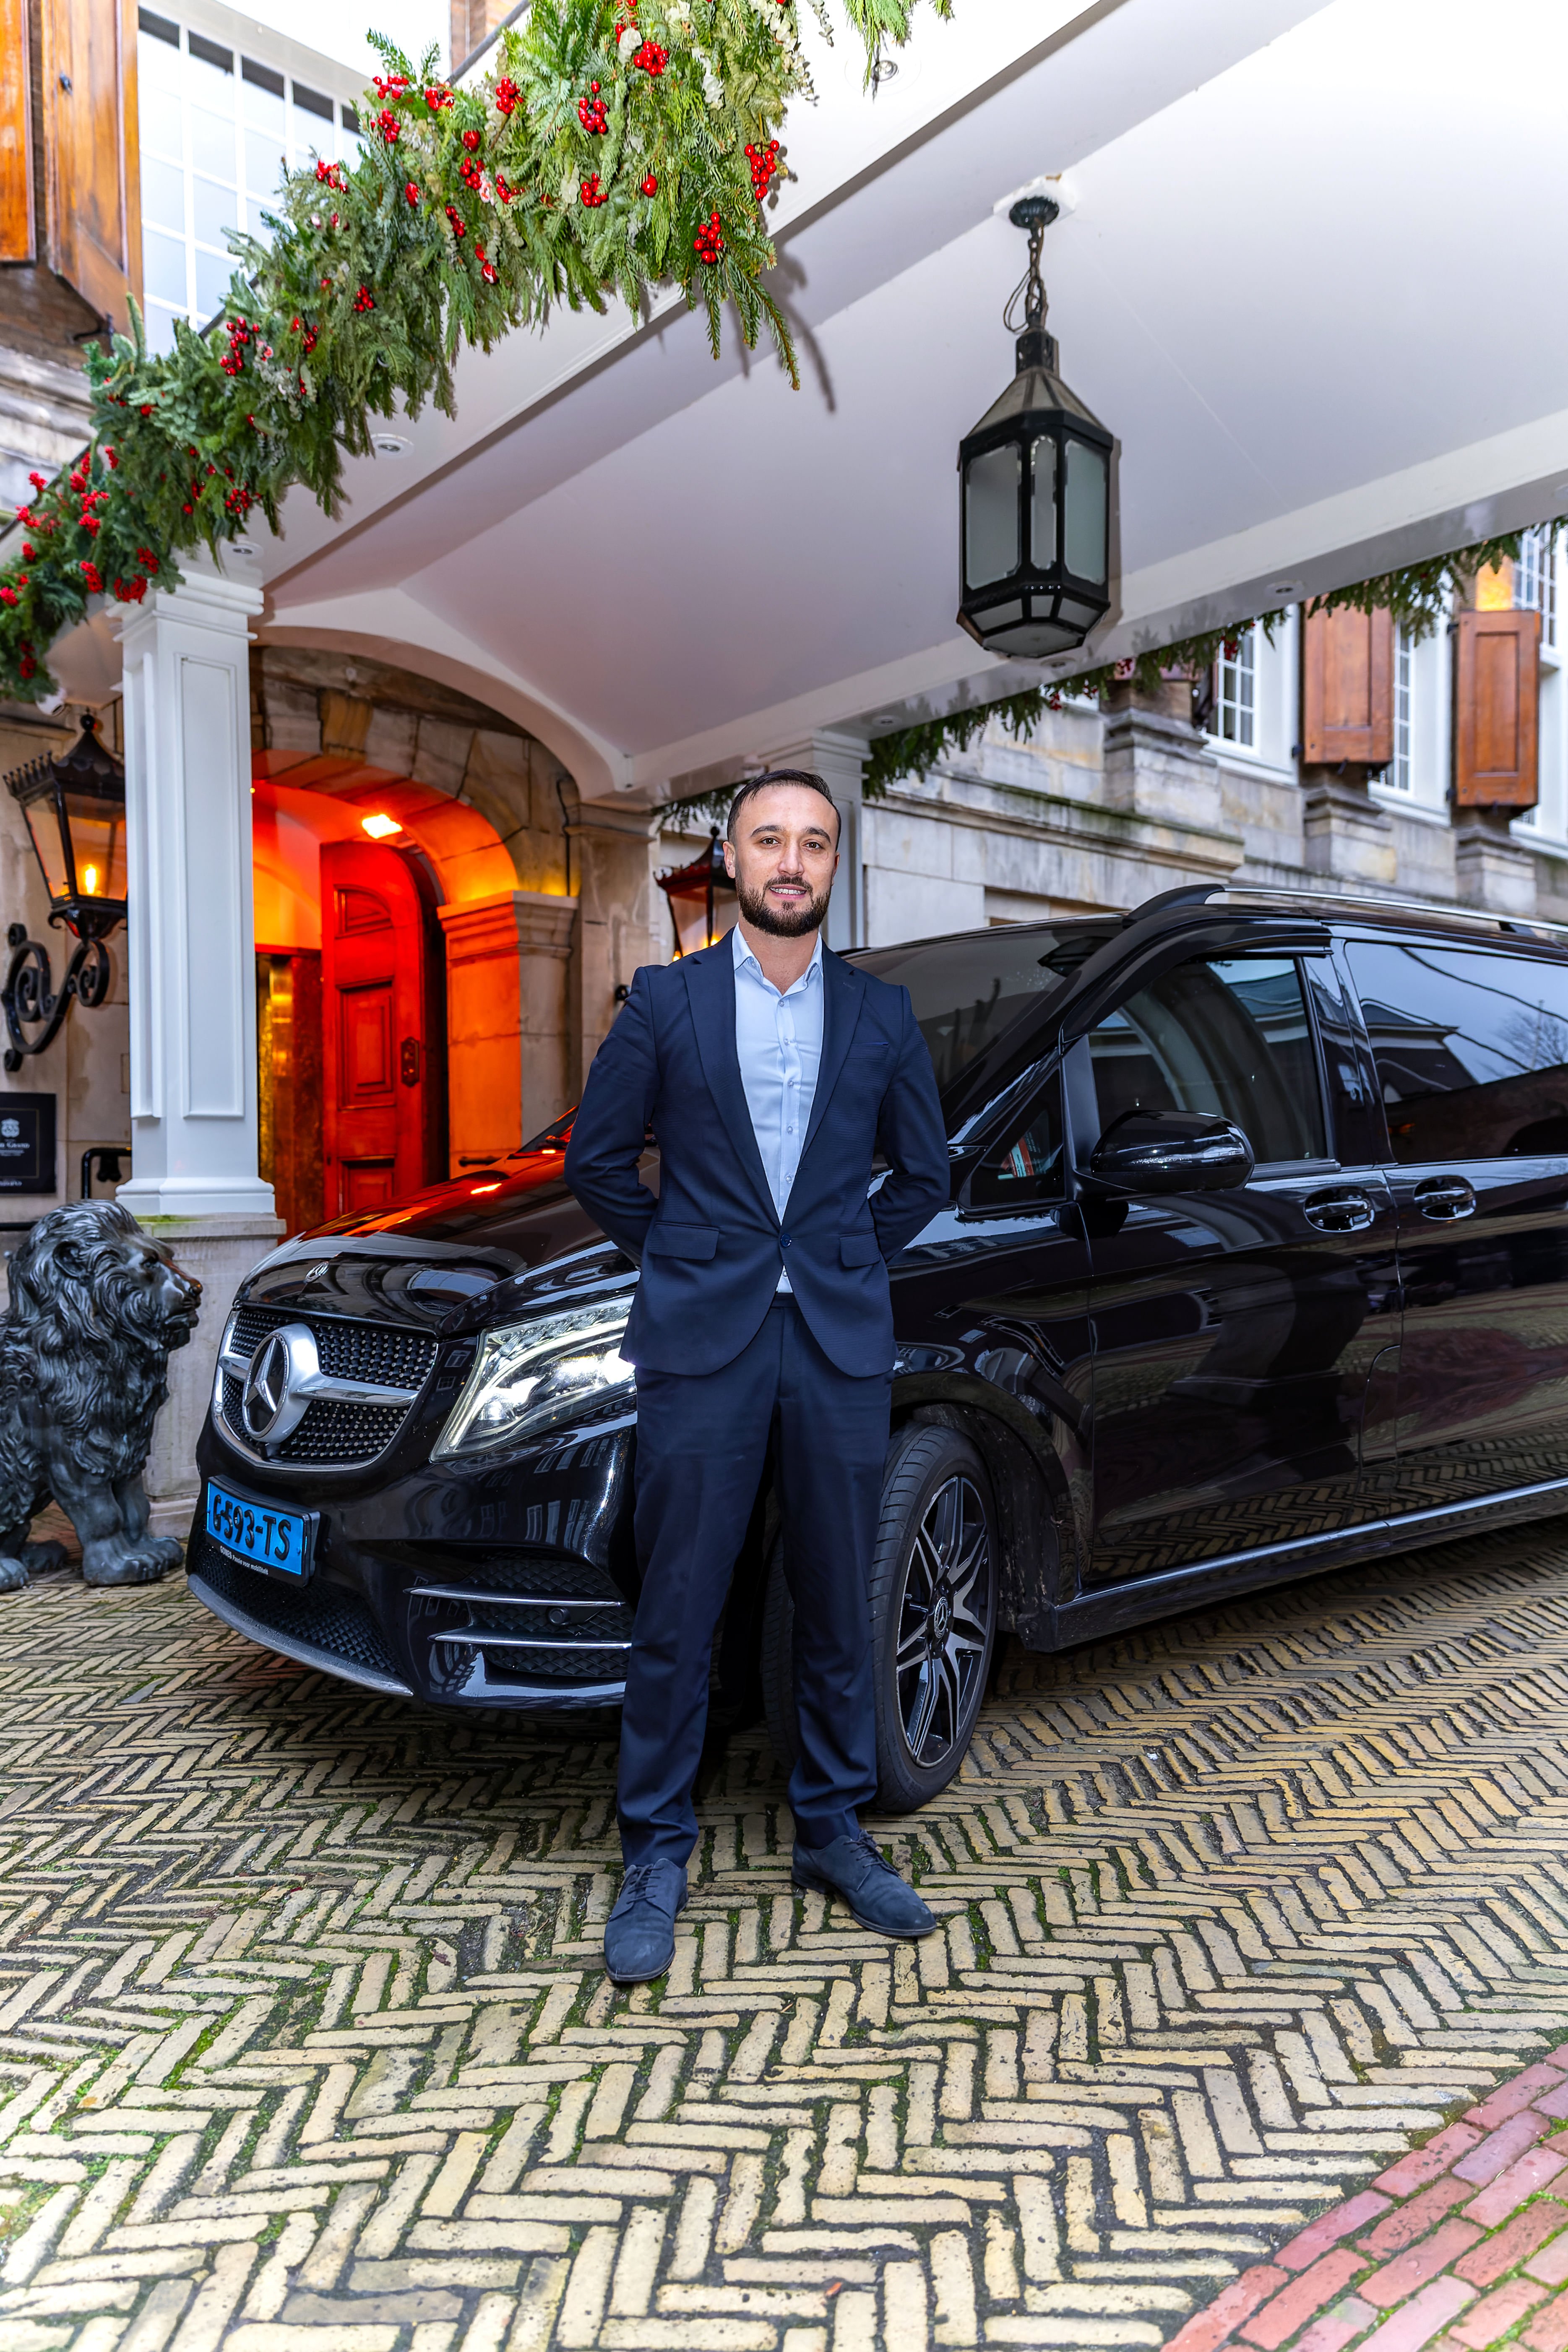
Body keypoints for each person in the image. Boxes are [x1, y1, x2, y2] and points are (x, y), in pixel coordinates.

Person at [564, 769, 952, 1984]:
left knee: (839, 1594)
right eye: (769, 840)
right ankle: (654, 1850)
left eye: (814, 844)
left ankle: (832, 1830)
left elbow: (925, 1176)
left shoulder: (882, 1013)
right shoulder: (665, 1002)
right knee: (680, 1603)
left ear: (835, 866)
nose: (792, 861)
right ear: (729, 859)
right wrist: (685, 1255)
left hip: (835, 1342)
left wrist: (838, 1255)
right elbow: (595, 1164)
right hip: (701, 1342)